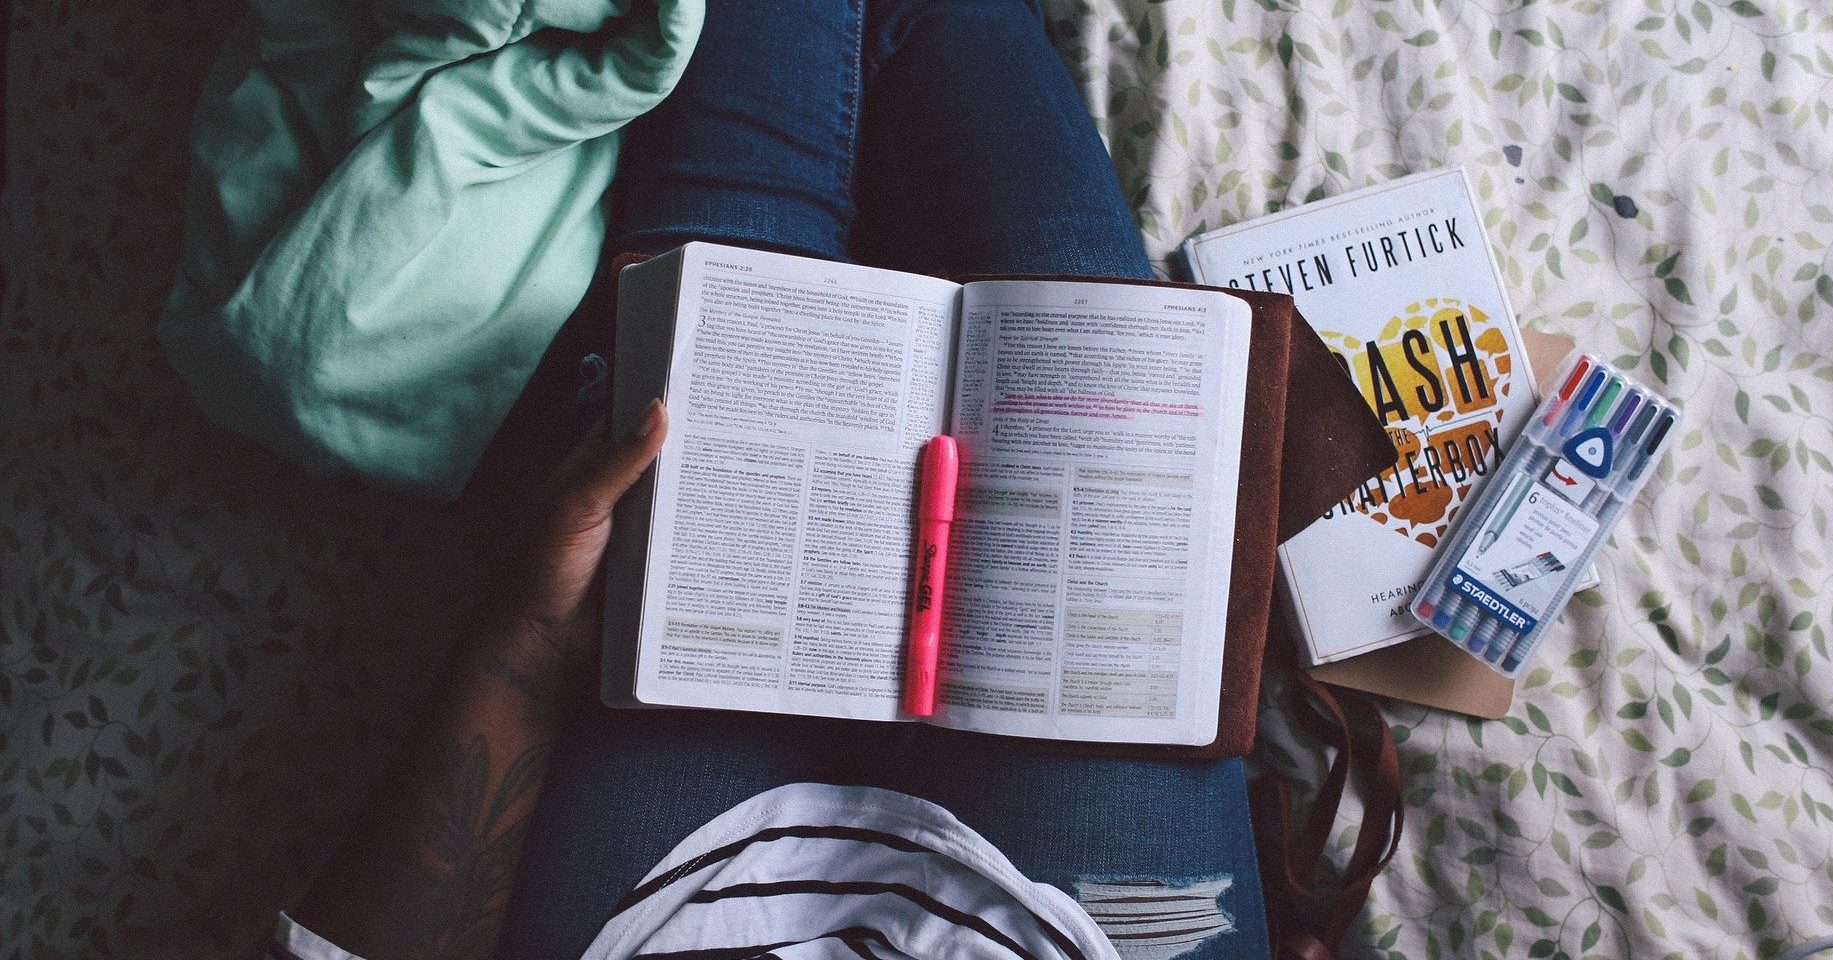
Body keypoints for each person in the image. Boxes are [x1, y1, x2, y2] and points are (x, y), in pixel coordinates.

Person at [276, 0, 1274, 957]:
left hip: (659, 910)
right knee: (979, 95)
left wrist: (532, 640)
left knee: (740, 224)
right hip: (1079, 927)